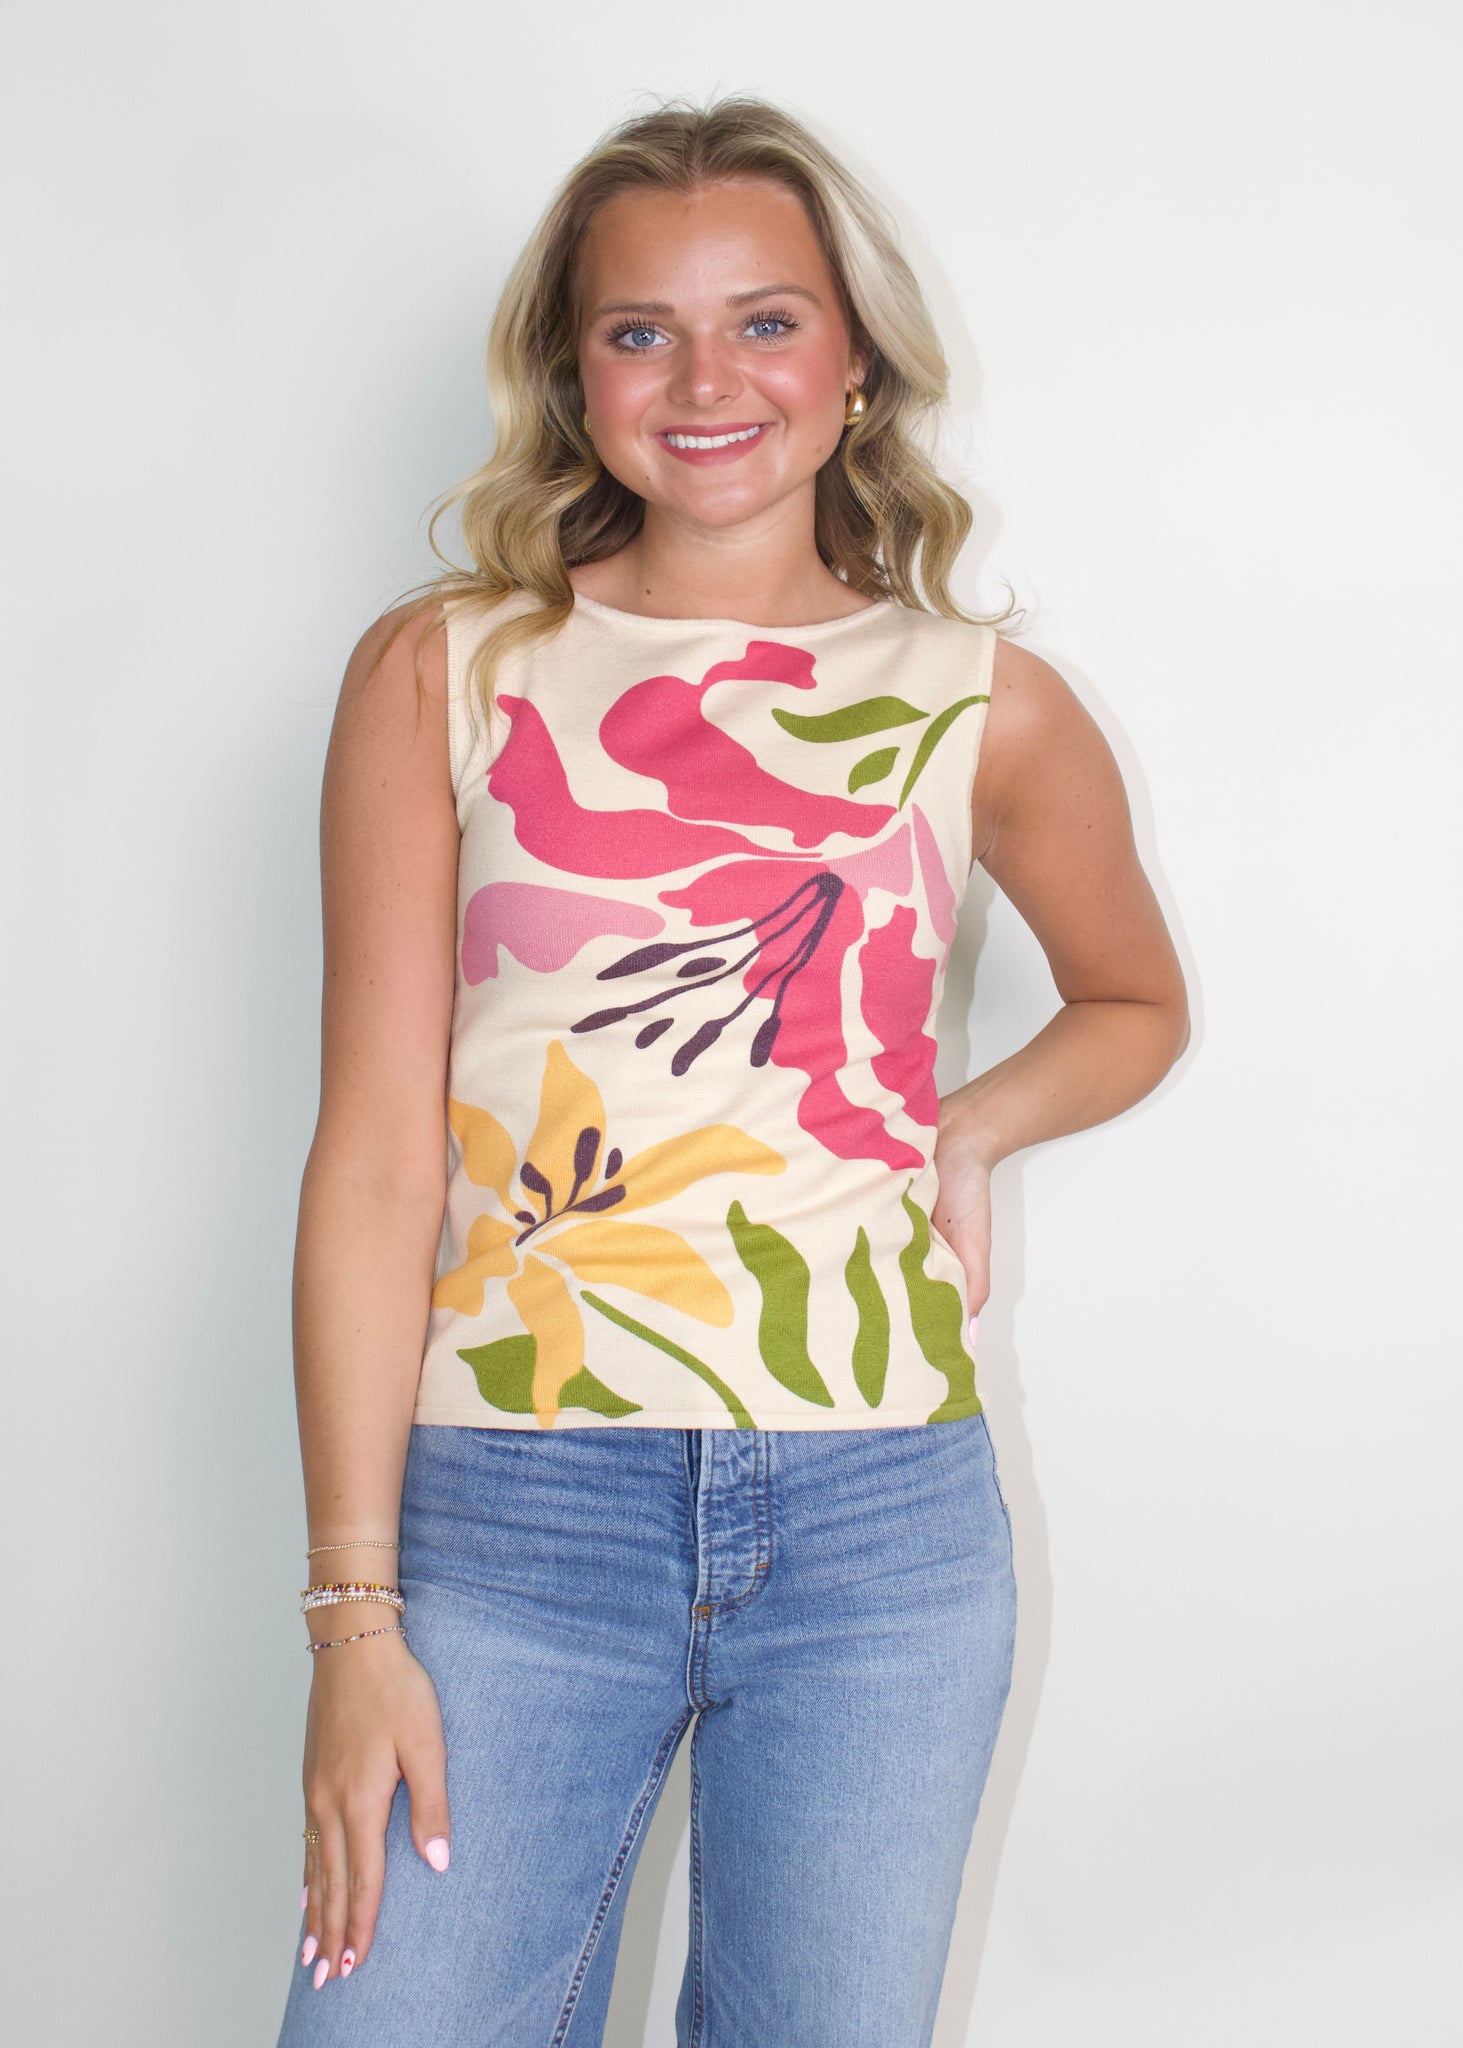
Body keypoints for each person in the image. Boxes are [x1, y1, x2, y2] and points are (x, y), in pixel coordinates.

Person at [274, 95, 1189, 2048]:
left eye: (765, 321)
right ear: (573, 371)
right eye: (642, 330)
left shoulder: (980, 700)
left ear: (854, 360)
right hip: (511, 1515)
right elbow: (371, 1159)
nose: (708, 382)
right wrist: (352, 1616)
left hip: (879, 1519)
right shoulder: (449, 672)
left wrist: (969, 1126)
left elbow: (1132, 998)